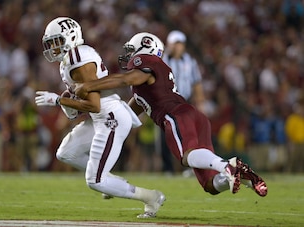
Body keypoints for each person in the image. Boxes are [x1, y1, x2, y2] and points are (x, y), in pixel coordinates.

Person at [74, 32, 268, 197]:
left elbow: (127, 79)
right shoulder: (144, 85)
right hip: (192, 116)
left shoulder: (147, 64)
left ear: (145, 48)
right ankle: (245, 178)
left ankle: (228, 165)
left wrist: (90, 85)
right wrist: (91, 113)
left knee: (187, 156)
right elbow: (126, 114)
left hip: (175, 115)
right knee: (211, 185)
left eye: (132, 50)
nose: (129, 56)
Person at [34, 17, 165, 218]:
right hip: (100, 116)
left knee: (95, 181)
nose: (53, 47)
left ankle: (150, 197)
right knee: (66, 153)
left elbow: (94, 104)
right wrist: (69, 102)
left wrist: (59, 101)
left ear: (70, 37)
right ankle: (109, 180)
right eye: (50, 43)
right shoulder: (71, 59)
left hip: (110, 117)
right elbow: (89, 104)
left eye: (57, 41)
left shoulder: (78, 58)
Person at [160, 30, 206, 175]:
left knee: (188, 135)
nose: (177, 47)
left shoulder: (190, 62)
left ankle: (189, 168)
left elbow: (196, 83)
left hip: (184, 102)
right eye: (175, 44)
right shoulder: (162, 61)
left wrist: (200, 103)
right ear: (169, 45)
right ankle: (168, 168)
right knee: (165, 136)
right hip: (166, 103)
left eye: (180, 44)